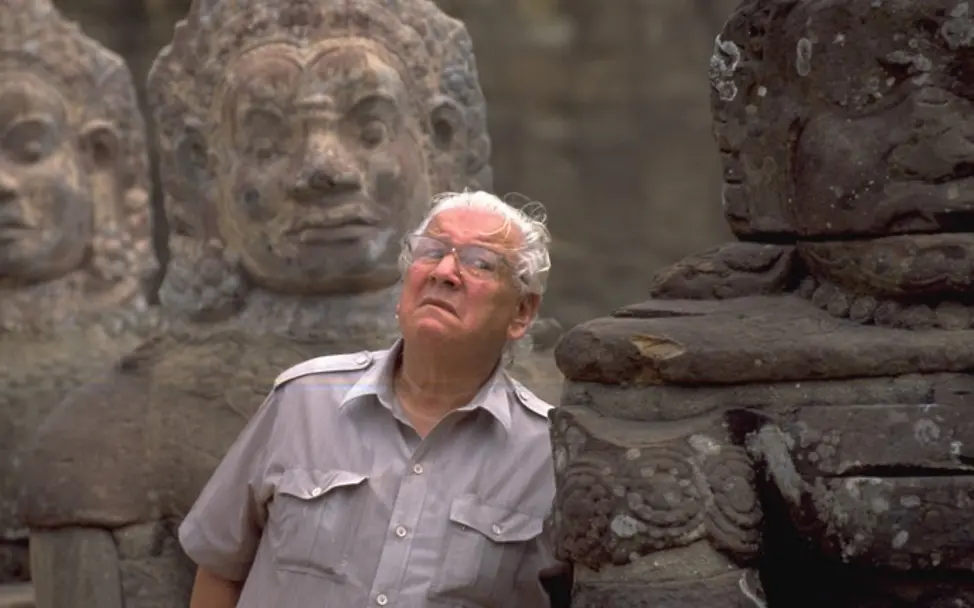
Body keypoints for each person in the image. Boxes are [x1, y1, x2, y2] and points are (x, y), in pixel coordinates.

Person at [180, 190, 567, 607]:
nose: (445, 271)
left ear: (521, 312)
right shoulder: (305, 399)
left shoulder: (547, 453)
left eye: (480, 263)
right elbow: (220, 569)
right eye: (431, 251)